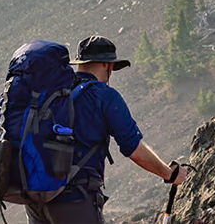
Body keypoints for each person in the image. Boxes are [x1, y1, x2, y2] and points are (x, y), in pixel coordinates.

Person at [24, 35, 188, 224]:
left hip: (35, 196)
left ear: (80, 64)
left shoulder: (51, 93)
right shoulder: (104, 96)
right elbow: (134, 150)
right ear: (107, 65)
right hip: (73, 199)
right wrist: (169, 174)